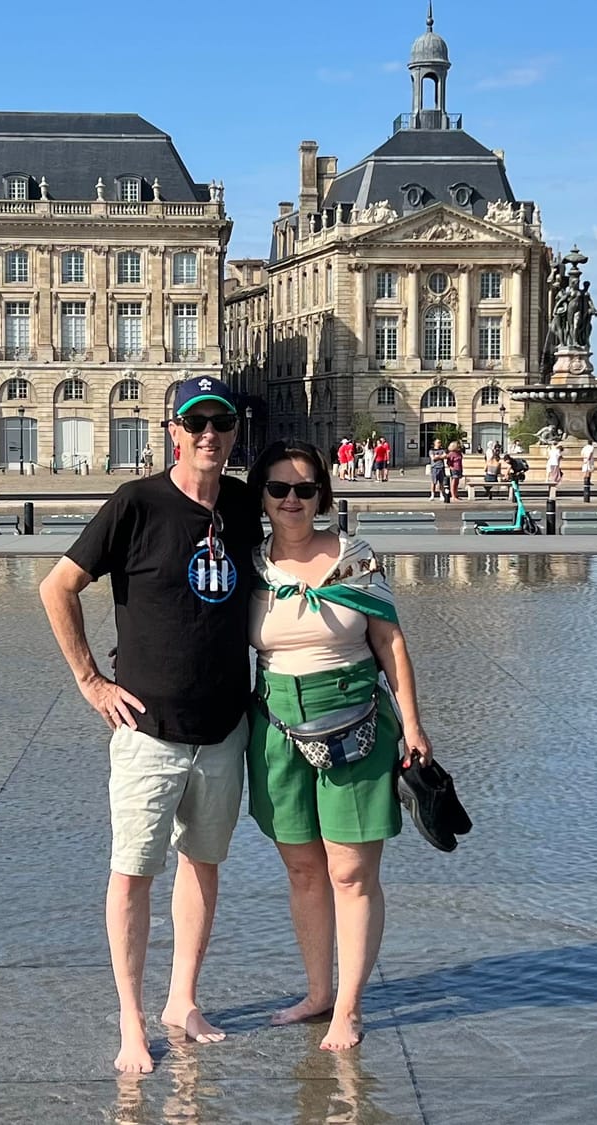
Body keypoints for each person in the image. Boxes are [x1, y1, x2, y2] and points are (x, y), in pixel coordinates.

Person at [39, 377, 260, 1075]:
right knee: (132, 873)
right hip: (148, 731)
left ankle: (182, 1000)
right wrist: (90, 681)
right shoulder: (136, 503)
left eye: (221, 422)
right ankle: (132, 1020)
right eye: (196, 422)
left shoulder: (247, 503)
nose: (209, 435)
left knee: (203, 862)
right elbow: (57, 586)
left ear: (233, 430)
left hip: (224, 728)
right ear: (173, 429)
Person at [245, 439, 431, 1053]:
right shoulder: (251, 566)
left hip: (357, 721)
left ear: (323, 495)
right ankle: (318, 991)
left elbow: (391, 644)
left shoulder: (355, 558)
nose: (292, 500)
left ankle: (349, 1006)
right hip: (275, 725)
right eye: (279, 489)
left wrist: (414, 725)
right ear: (263, 498)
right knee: (303, 869)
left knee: (350, 873)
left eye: (304, 488)